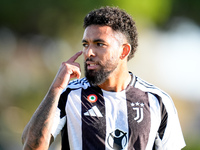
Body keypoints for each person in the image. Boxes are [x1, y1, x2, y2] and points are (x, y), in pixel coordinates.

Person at [22, 6, 186, 150]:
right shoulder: (68, 94)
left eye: (99, 44)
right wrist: (56, 89)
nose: (89, 53)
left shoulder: (157, 100)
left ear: (124, 51)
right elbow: (32, 147)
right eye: (86, 44)